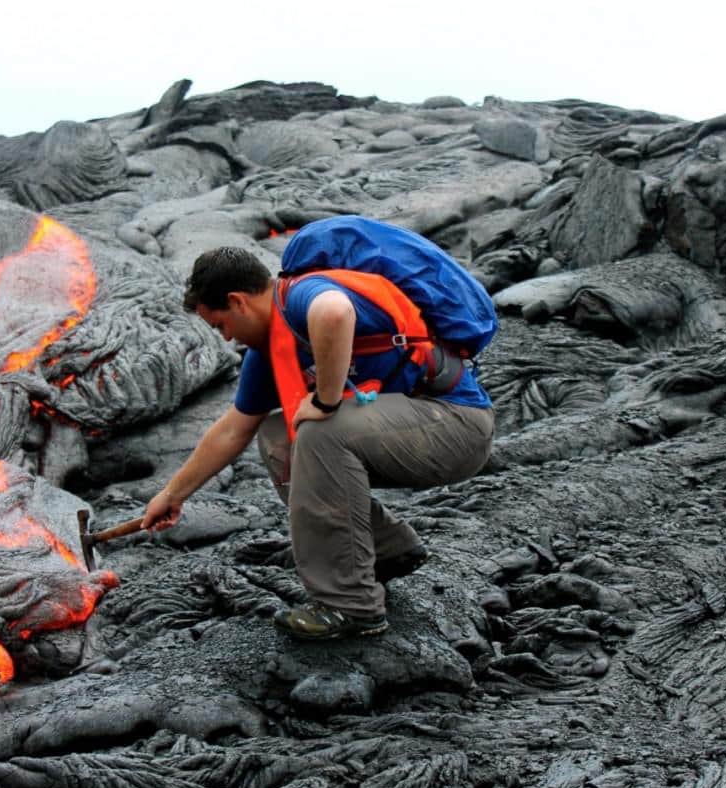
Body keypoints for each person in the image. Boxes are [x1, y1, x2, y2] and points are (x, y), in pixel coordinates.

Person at [140, 243, 494, 640]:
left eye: (220, 325)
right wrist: (172, 495)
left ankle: (350, 605)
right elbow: (233, 429)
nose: (225, 339)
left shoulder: (302, 296)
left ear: (237, 301)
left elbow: (335, 311)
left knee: (320, 430)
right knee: (278, 437)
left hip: (456, 425)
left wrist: (325, 399)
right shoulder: (270, 351)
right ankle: (386, 549)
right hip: (407, 432)